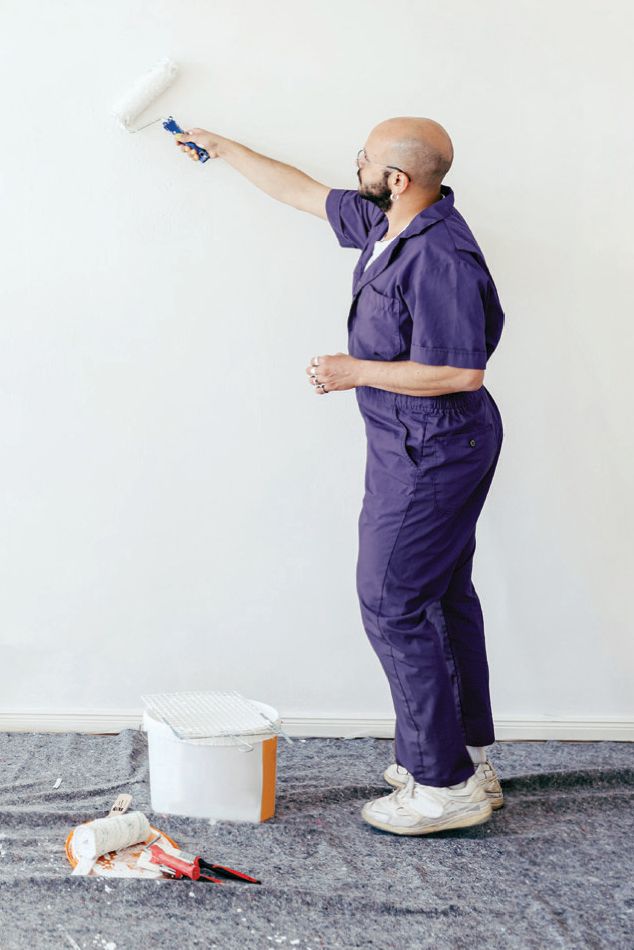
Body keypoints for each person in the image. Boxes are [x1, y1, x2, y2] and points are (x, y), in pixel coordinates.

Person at [172, 118, 506, 835]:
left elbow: (462, 368)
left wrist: (355, 371)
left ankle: (443, 785)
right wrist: (225, 147)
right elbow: (298, 190)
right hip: (416, 443)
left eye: (366, 157)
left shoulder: (439, 254)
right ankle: (464, 757)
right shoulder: (393, 222)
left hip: (436, 447)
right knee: (439, 596)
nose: (354, 162)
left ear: (397, 179)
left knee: (391, 600)